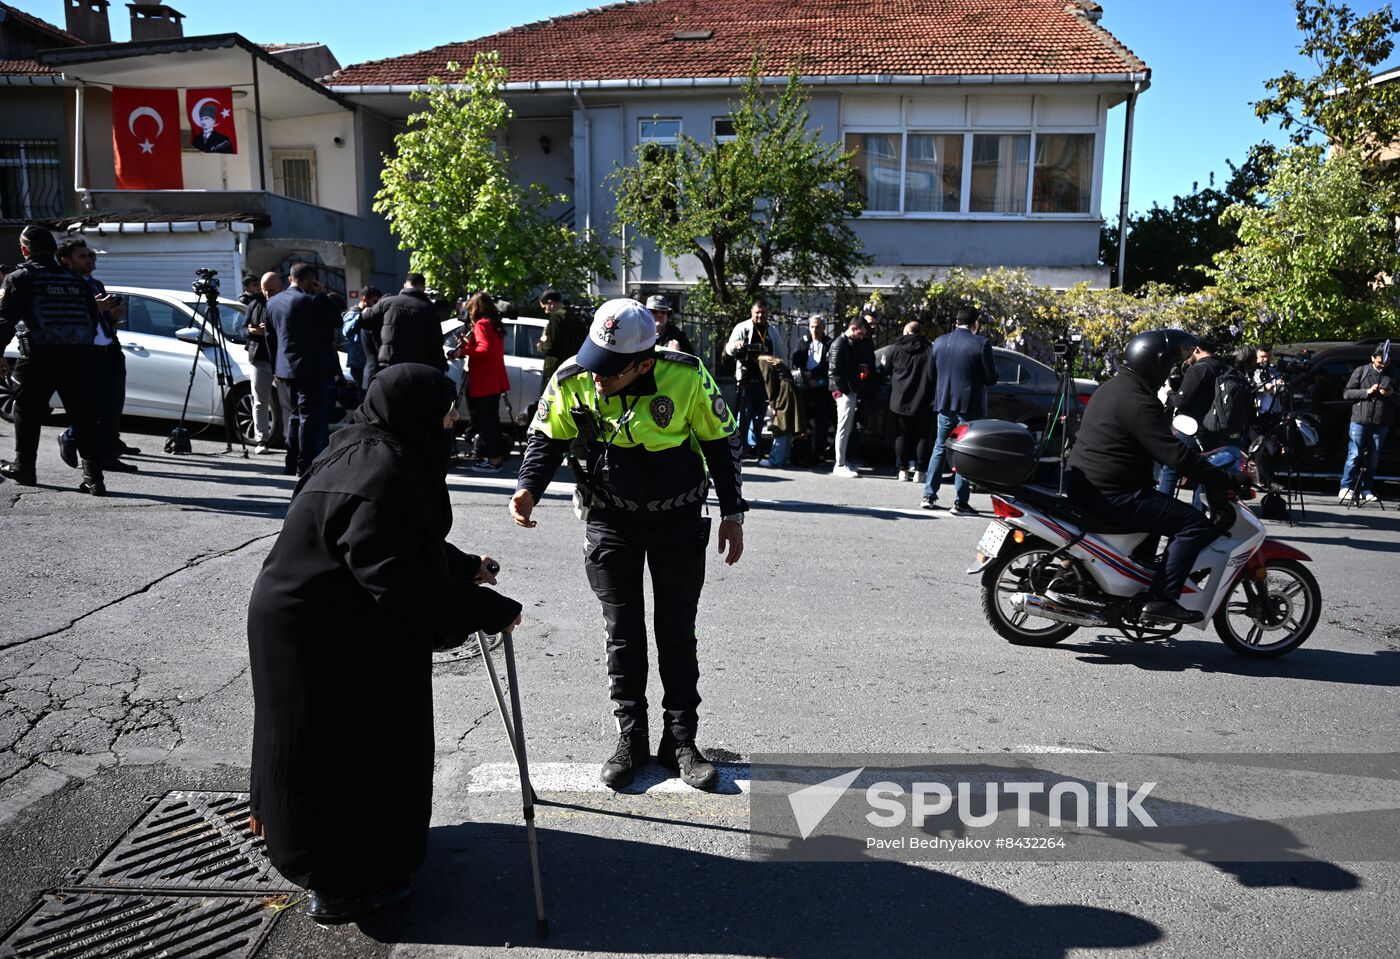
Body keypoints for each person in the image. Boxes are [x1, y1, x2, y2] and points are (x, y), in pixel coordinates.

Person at [248, 363, 521, 927]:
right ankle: (343, 883)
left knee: (356, 742)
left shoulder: (358, 448)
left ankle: (359, 857)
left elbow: (396, 540)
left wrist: (467, 568)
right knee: (345, 751)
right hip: (324, 630)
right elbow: (389, 568)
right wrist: (484, 611)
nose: (452, 420)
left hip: (323, 617)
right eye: (446, 410)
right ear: (416, 412)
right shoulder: (387, 469)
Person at [510, 299, 745, 792]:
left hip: (677, 520)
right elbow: (547, 438)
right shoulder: (577, 375)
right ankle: (631, 738)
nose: (599, 377)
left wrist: (733, 512)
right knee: (622, 631)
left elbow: (721, 444)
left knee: (676, 631)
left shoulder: (686, 376)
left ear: (644, 362)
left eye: (612, 370)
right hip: (610, 520)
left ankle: (680, 741)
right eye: (597, 361)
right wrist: (528, 488)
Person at [1065, 329, 1232, 624]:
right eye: (1168, 365)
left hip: (1091, 487)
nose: (1169, 372)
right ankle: (1161, 600)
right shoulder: (1139, 400)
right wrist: (1222, 478)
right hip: (1113, 495)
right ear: (1154, 363)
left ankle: (1136, 581)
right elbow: (1173, 454)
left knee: (1159, 508)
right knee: (1192, 524)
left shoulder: (1111, 387)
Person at [0, 225, 108, 494]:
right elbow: (91, 318)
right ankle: (94, 479)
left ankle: (24, 468)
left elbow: (5, 321)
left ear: (25, 250)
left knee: (26, 410)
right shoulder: (75, 279)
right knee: (83, 415)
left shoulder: (20, 277)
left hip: (40, 356)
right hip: (80, 355)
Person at [55, 237, 137, 474]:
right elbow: (67, 316)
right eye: (83, 256)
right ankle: (70, 437)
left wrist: (111, 316)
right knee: (90, 408)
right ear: (66, 260)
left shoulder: (96, 284)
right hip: (85, 352)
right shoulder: (65, 285)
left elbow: (100, 316)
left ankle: (108, 455)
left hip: (109, 349)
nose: (90, 260)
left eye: (91, 255)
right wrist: (94, 308)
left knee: (111, 407)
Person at [264, 263, 339, 476]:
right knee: (308, 416)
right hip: (310, 368)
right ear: (309, 280)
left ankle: (290, 461)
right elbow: (336, 320)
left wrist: (275, 367)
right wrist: (323, 294)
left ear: (290, 279)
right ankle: (303, 464)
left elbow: (270, 338)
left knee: (294, 415)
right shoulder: (311, 300)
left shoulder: (273, 302)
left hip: (285, 368)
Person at [921, 305, 997, 513]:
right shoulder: (981, 343)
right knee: (965, 452)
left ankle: (929, 495)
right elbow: (991, 378)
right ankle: (960, 502)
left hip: (945, 402)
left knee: (939, 447)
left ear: (956, 322)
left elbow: (931, 375)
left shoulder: (939, 341)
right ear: (975, 323)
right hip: (970, 404)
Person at [1158, 338, 1225, 494]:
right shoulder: (1222, 367)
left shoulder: (1199, 369)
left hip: (1192, 428)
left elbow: (1181, 400)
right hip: (1214, 428)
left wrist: (1168, 393)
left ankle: (1163, 509)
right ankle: (1200, 511)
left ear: (1197, 349)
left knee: (1171, 469)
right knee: (1204, 471)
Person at [459, 292, 510, 473]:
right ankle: (493, 458)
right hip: (494, 380)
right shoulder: (494, 325)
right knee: (491, 421)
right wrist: (467, 347)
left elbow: (484, 350)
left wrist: (463, 351)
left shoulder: (481, 324)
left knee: (487, 423)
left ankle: (493, 460)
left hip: (483, 381)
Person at [1339, 346, 1395, 503]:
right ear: (1373, 358)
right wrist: (1367, 392)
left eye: (1386, 361)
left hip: (1381, 421)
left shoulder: (1393, 374)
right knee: (1354, 454)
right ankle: (1346, 487)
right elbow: (1346, 393)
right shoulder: (1361, 371)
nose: (1383, 364)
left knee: (1374, 457)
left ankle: (1366, 487)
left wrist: (1390, 394)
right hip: (1360, 419)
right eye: (1380, 362)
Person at [360, 273, 445, 373]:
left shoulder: (386, 302)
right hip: (418, 367)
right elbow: (436, 343)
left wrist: (354, 310)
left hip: (389, 364)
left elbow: (363, 321)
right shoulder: (429, 310)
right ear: (423, 288)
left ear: (405, 285)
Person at [724, 298, 776, 457]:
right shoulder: (742, 328)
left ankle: (754, 447)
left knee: (760, 415)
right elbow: (729, 349)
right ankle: (740, 447)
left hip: (764, 379)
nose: (760, 316)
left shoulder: (772, 331)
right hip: (746, 378)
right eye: (757, 312)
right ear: (752, 313)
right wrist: (736, 345)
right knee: (743, 415)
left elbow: (778, 353)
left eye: (763, 312)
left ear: (767, 313)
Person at [826, 315, 874, 478]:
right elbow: (833, 372)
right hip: (845, 392)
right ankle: (839, 464)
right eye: (860, 333)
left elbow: (840, 368)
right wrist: (844, 391)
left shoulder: (847, 343)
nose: (861, 337)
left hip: (847, 390)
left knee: (846, 428)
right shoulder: (840, 344)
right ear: (853, 328)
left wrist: (857, 367)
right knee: (843, 428)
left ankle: (842, 461)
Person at [887, 320, 934, 483]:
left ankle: (903, 470)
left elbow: (884, 370)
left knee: (901, 436)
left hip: (899, 399)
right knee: (922, 436)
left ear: (906, 332)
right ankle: (920, 472)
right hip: (923, 399)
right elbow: (934, 374)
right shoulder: (929, 349)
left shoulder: (895, 348)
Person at [791, 314, 832, 465]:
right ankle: (801, 452)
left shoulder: (829, 343)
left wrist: (813, 375)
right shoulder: (802, 342)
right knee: (802, 420)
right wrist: (804, 375)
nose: (815, 330)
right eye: (812, 326)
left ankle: (819, 454)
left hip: (821, 386)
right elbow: (796, 361)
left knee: (821, 421)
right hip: (804, 386)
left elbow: (829, 363)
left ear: (824, 328)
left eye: (818, 327)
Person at [340, 286, 381, 404]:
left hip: (369, 363)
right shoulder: (353, 313)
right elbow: (346, 331)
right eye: (374, 302)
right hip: (358, 365)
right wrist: (361, 316)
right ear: (364, 299)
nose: (376, 305)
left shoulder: (372, 315)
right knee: (364, 398)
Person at [537, 289, 585, 388]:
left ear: (550, 303)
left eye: (544, 308)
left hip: (555, 369)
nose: (546, 312)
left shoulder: (556, 317)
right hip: (573, 368)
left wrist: (540, 346)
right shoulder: (576, 317)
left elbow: (551, 344)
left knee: (549, 400)